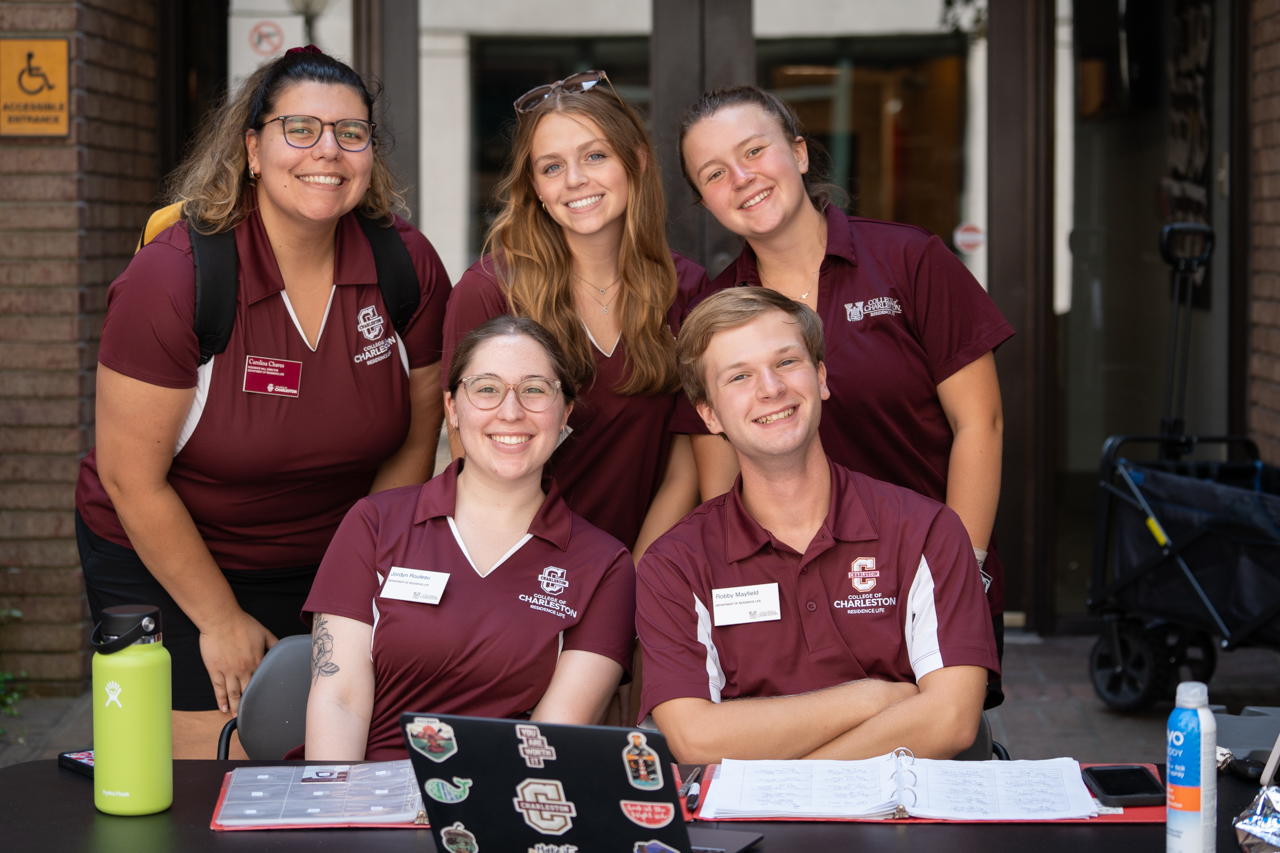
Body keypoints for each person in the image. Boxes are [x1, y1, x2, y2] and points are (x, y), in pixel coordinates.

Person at [73, 47, 450, 758]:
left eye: (352, 133)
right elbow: (130, 477)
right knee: (203, 755)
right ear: (251, 147)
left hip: (329, 553)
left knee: (337, 739)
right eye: (299, 129)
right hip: (171, 547)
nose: (327, 152)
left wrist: (354, 579)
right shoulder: (176, 278)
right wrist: (218, 619)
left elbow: (415, 440)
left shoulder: (405, 266)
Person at [674, 86, 1013, 696]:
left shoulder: (908, 260)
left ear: (799, 152)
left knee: (935, 758)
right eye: (716, 173)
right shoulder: (716, 313)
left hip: (921, 583)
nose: (743, 178)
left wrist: (962, 575)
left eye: (755, 151)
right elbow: (722, 485)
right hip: (792, 606)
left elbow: (980, 425)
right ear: (705, 201)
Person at [636, 288, 998, 763]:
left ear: (821, 377)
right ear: (708, 414)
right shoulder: (674, 564)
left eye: (786, 362)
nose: (770, 388)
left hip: (907, 824)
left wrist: (794, 783)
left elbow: (950, 721)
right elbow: (695, 739)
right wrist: (875, 697)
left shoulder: (927, 530)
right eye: (739, 376)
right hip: (752, 834)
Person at [303, 317, 636, 760]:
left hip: (505, 805)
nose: (511, 411)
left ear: (565, 413)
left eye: (535, 389)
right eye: (486, 388)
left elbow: (551, 739)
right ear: (453, 408)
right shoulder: (375, 523)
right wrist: (339, 811)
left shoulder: (605, 565)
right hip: (369, 799)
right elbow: (338, 701)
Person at [441, 70, 705, 559]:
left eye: (595, 156)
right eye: (552, 167)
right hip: (520, 564)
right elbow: (476, 475)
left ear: (637, 162)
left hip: (646, 563)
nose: (575, 180)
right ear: (535, 186)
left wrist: (635, 584)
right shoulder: (488, 293)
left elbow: (685, 469)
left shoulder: (686, 288)